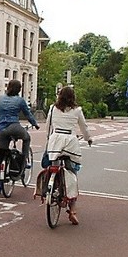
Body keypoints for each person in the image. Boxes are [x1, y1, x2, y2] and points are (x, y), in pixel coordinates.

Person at [45, 86, 92, 225]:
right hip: (70, 143)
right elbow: (84, 127)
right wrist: (88, 138)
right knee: (72, 173)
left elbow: (48, 126)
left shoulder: (53, 108)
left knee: (53, 165)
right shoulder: (77, 111)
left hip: (55, 143)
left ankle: (51, 187)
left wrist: (49, 139)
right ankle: (72, 210)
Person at [0, 79, 40, 194]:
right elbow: (28, 114)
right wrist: (35, 124)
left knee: (3, 153)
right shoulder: (20, 100)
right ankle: (23, 162)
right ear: (19, 89)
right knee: (27, 138)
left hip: (1, 129)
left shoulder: (1, 98)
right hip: (14, 127)